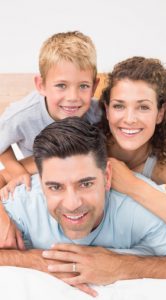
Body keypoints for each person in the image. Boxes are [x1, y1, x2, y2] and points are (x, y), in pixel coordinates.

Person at [1, 117, 166, 297]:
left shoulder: (137, 208)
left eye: (86, 184)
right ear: (41, 183)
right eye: (55, 187)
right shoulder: (23, 201)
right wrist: (38, 261)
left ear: (106, 177)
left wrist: (123, 266)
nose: (72, 204)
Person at [0, 30, 101, 248]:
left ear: (95, 85)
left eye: (83, 86)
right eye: (61, 86)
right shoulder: (22, 115)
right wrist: (13, 166)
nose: (73, 97)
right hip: (40, 182)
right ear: (41, 85)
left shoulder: (98, 114)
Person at [98, 56, 166, 244]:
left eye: (143, 107)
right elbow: (35, 165)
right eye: (119, 106)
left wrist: (133, 186)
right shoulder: (91, 145)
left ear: (160, 113)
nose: (129, 119)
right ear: (107, 109)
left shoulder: (163, 164)